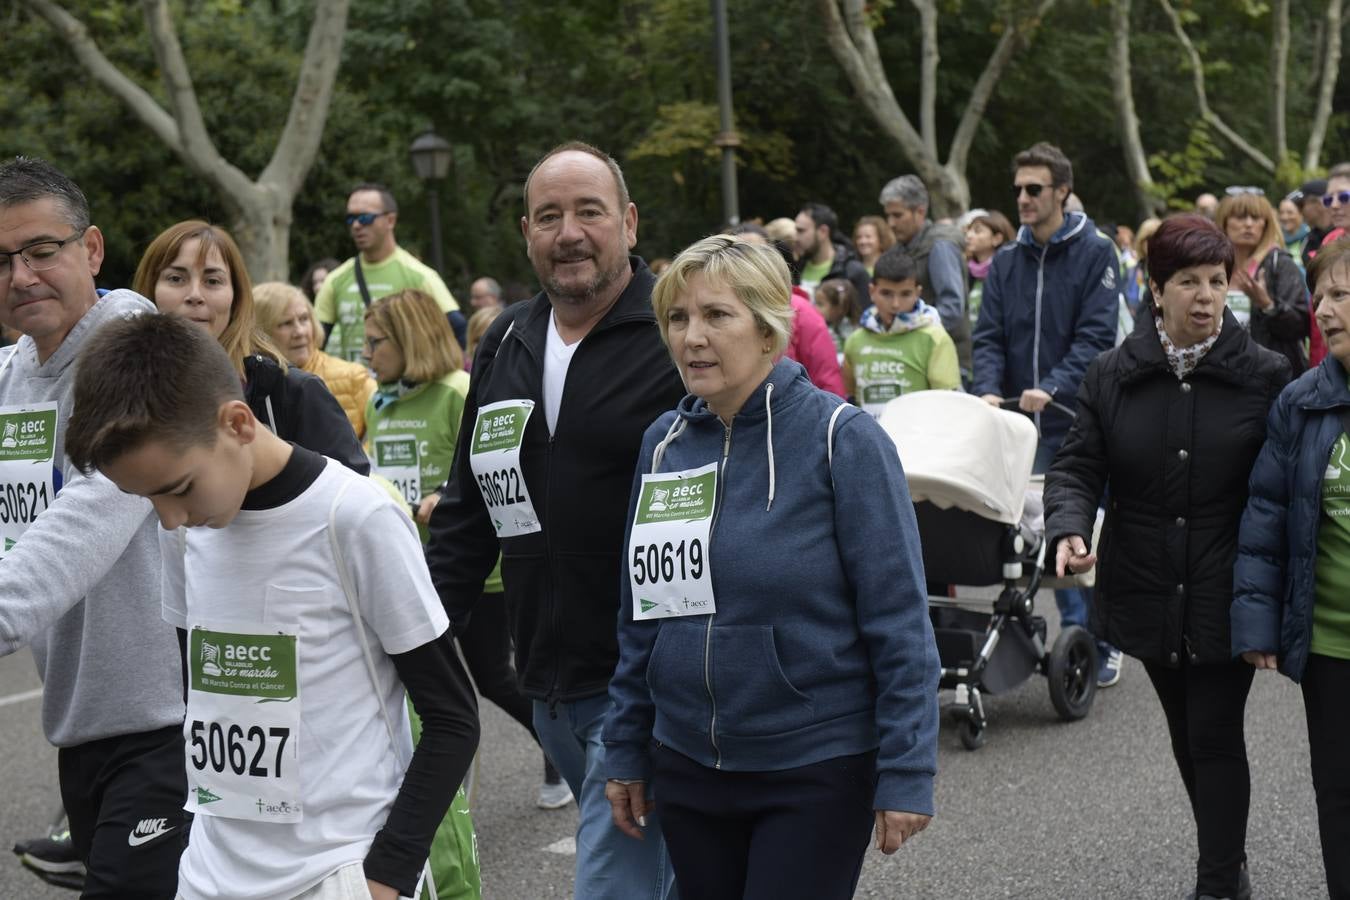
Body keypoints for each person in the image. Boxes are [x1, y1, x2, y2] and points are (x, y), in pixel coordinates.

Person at [64, 312, 479, 900]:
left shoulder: (354, 517)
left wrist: (388, 873)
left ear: (237, 422)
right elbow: (199, 698)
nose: (168, 517)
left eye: (178, 488)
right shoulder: (183, 529)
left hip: (338, 869)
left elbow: (453, 717)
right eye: (146, 497)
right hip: (209, 873)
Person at [601, 234, 939, 899]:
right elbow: (643, 611)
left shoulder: (844, 440)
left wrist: (907, 767)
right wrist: (626, 745)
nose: (692, 337)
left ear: (767, 329)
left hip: (813, 766)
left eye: (716, 315)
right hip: (688, 764)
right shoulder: (663, 445)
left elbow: (899, 618)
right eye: (678, 318)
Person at [425, 141, 684, 900]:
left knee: (612, 882)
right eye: (549, 216)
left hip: (647, 684)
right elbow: (469, 512)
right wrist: (421, 640)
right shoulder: (505, 339)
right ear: (527, 233)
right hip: (549, 682)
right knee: (666, 875)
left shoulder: (678, 332)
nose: (568, 233)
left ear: (629, 223)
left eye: (589, 212)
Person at [1046, 215, 1288, 900]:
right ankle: (1228, 853)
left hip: (1227, 584)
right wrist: (1068, 525)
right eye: (1187, 281)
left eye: (1217, 279)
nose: (1206, 295)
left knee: (1213, 733)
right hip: (1145, 581)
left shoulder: (1265, 376)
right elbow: (1075, 466)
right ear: (1155, 290)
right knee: (1185, 734)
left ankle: (1218, 882)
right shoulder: (1111, 376)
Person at [0, 156, 185, 897]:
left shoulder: (137, 350)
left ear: (93, 249)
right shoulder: (15, 374)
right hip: (80, 721)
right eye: (2, 260)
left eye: (41, 251)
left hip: (171, 718)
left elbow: (89, 513)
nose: (20, 277)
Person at [362, 286, 571, 815]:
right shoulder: (379, 398)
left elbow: (483, 470)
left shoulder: (459, 389)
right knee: (431, 682)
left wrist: (440, 498)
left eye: (376, 342)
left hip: (481, 568)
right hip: (409, 565)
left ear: (408, 339)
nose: (367, 354)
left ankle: (562, 754)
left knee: (495, 675)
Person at [970, 141, 1122, 686]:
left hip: (1075, 417)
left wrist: (1051, 386)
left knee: (1077, 533)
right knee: (1030, 541)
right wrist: (987, 388)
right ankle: (1060, 642)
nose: (1023, 198)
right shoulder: (1006, 260)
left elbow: (1097, 337)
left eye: (1035, 189)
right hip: (1015, 426)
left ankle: (1098, 642)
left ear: (1062, 190)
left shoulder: (1097, 251)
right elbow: (987, 337)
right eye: (1018, 190)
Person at [1232, 236, 1350, 900]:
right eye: (1320, 297)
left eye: (1339, 295)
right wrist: (1256, 621)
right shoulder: (1302, 401)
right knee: (1337, 791)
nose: (1323, 310)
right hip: (1331, 642)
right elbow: (1266, 515)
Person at [134, 220, 368, 476]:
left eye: (212, 281)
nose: (194, 294)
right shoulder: (124, 392)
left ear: (236, 297)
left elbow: (354, 497)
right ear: (149, 289)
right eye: (176, 278)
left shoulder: (294, 392)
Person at [314, 183, 464, 362]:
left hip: (407, 389)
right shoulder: (335, 279)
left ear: (390, 220)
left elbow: (457, 328)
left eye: (365, 218)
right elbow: (314, 343)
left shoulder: (420, 276)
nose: (355, 225)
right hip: (356, 387)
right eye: (350, 218)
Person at [843, 246, 960, 414]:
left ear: (917, 293)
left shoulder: (934, 337)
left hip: (918, 436)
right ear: (872, 291)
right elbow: (851, 396)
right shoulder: (855, 340)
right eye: (886, 293)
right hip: (869, 436)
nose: (895, 304)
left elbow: (947, 403)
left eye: (905, 294)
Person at [732, 221, 844, 397]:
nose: (749, 261)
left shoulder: (800, 310)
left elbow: (827, 380)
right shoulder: (711, 310)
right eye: (739, 253)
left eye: (758, 253)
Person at [254, 281, 375, 439]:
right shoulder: (249, 384)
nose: (300, 332)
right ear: (260, 333)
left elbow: (384, 435)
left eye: (304, 319)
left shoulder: (353, 377)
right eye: (286, 323)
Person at [879, 175, 972, 381]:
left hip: (947, 363)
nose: (891, 223)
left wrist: (906, 330)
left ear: (920, 211)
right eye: (888, 216)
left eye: (897, 215)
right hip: (913, 361)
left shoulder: (940, 246)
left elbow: (951, 309)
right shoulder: (901, 248)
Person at [1213, 192, 1309, 375]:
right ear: (1224, 221)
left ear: (1266, 224)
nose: (1249, 224)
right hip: (1219, 377)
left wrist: (1268, 305)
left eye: (1256, 217)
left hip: (1269, 380)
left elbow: (1301, 327)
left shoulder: (1279, 265)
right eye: (1240, 217)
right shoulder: (1210, 265)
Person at [793, 202, 872, 302]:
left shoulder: (852, 272)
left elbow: (864, 315)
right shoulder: (794, 268)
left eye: (801, 231)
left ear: (823, 232)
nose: (795, 238)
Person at [963, 209, 1015, 328]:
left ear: (997, 239)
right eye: (969, 230)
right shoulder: (967, 272)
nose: (969, 235)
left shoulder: (1008, 273)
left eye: (977, 231)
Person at [814, 278, 862, 358]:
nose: (815, 308)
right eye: (815, 303)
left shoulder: (854, 331)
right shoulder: (821, 326)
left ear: (839, 307)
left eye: (820, 304)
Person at [1280, 191, 1310, 263]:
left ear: (1301, 213)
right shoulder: (1276, 238)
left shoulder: (1309, 239)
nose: (1284, 217)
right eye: (1281, 212)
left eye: (1290, 213)